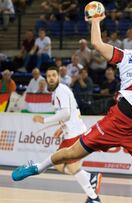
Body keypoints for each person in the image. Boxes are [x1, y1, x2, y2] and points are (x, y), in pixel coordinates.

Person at [12, 15, 132, 203]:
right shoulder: (128, 56)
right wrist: (96, 21)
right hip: (116, 121)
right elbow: (97, 43)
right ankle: (37, 167)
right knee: (72, 153)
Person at [14, 66, 102, 203]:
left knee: (62, 163)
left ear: (58, 77)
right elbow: (69, 112)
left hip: (75, 133)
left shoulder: (61, 90)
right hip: (71, 132)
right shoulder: (56, 93)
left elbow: (66, 113)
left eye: (54, 75)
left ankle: (93, 195)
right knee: (60, 166)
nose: (51, 78)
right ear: (46, 78)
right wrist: (62, 128)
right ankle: (92, 186)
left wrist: (44, 120)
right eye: (48, 76)